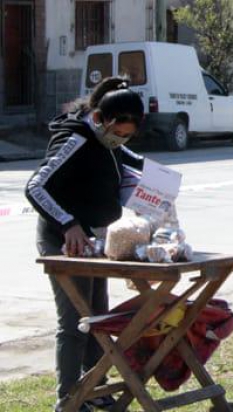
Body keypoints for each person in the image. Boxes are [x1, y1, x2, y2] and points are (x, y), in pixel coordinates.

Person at [24, 77, 145, 412]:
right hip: (63, 241)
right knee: (76, 322)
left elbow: (135, 163)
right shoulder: (75, 139)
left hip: (96, 241)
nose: (120, 139)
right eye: (117, 132)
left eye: (127, 135)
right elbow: (35, 187)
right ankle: (68, 399)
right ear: (100, 119)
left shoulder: (112, 143)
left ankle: (95, 388)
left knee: (98, 319)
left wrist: (159, 186)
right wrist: (68, 224)